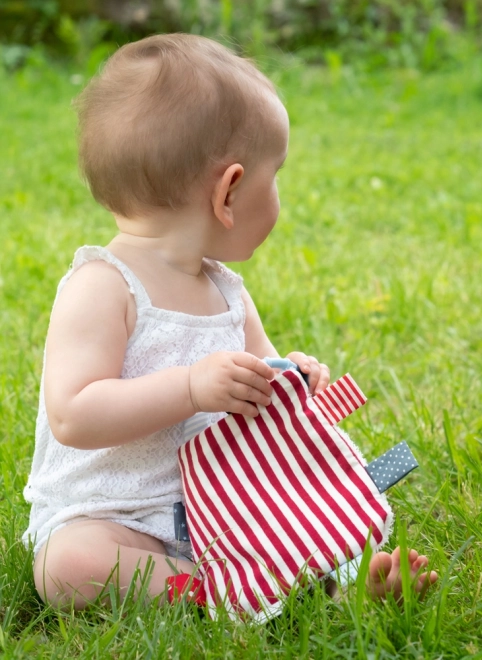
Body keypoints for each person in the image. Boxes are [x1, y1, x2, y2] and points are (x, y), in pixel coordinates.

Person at [23, 33, 438, 611]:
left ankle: (331, 578)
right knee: (69, 565)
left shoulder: (227, 292)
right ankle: (212, 592)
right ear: (230, 191)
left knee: (302, 502)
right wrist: (190, 387)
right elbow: (74, 413)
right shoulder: (102, 286)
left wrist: (290, 375)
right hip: (117, 515)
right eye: (276, 178)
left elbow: (258, 381)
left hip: (228, 507)